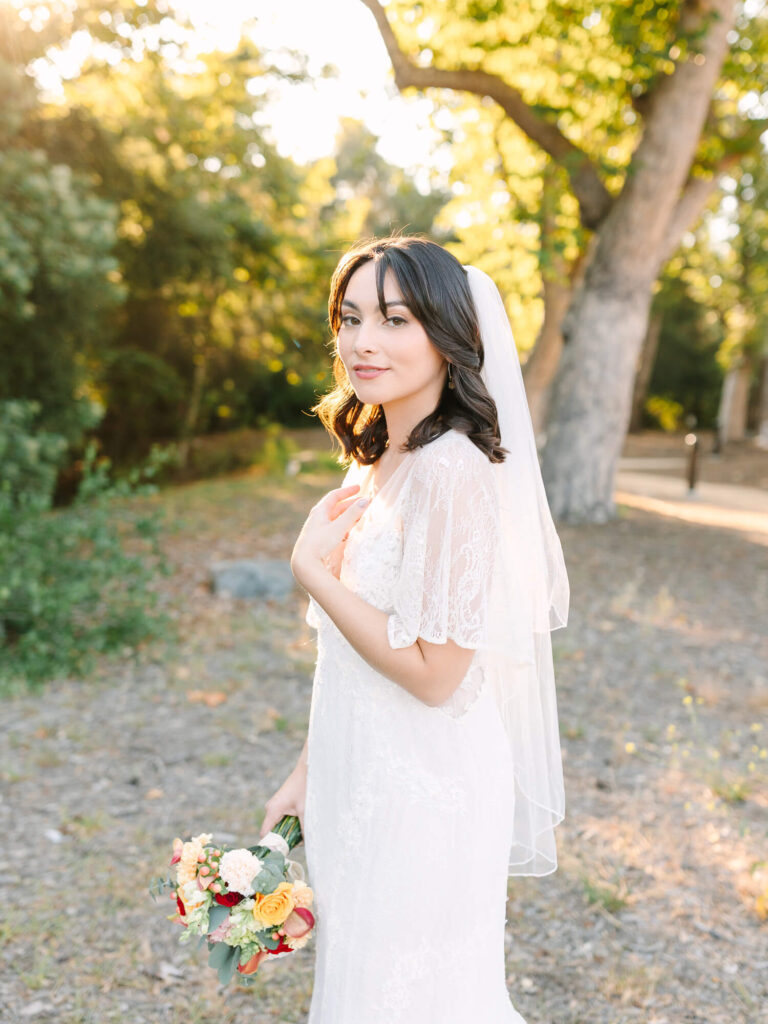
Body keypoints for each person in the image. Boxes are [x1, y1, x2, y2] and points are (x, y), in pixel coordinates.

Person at [259, 234, 569, 1023]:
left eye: (396, 320)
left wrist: (315, 573)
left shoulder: (453, 469)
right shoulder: (377, 455)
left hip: (425, 781)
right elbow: (348, 654)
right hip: (356, 762)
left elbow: (438, 673)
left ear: (446, 333)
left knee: (411, 995)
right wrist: (308, 769)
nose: (365, 341)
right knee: (363, 982)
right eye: (352, 317)